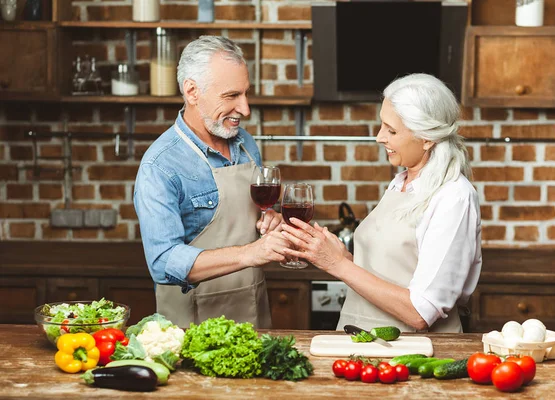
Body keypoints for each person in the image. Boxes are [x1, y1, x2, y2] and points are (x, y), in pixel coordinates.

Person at [281, 73, 482, 333]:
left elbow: (421, 311)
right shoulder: (400, 183)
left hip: (414, 354)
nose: (379, 137)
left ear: (427, 137)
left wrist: (338, 266)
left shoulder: (454, 197)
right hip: (359, 342)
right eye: (382, 126)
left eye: (392, 130)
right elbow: (392, 271)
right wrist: (344, 258)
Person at [134, 36, 289, 329]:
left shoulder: (245, 144)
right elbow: (163, 262)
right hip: (192, 326)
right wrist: (249, 253)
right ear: (192, 91)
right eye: (231, 96)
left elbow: (253, 218)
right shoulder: (161, 165)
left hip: (253, 312)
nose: (245, 109)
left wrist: (271, 219)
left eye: (246, 94)